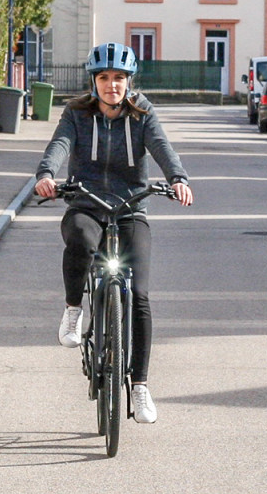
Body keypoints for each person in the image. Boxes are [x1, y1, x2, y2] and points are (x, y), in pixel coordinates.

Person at [34, 42, 193, 424]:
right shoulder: (76, 113)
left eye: (119, 78)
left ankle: (139, 386)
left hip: (130, 208)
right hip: (86, 203)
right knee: (82, 241)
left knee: (139, 294)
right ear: (94, 81)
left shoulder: (142, 114)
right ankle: (74, 310)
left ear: (128, 81)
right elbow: (60, 144)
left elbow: (161, 146)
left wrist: (178, 178)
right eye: (104, 78)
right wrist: (46, 175)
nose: (111, 85)